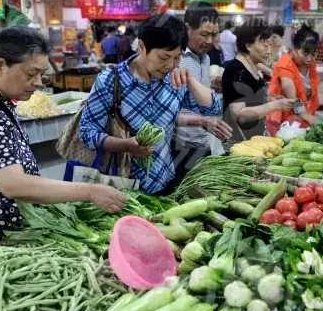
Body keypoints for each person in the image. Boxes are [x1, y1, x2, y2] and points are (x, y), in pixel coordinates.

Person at [0, 27, 126, 257]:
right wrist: (89, 191)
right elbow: (13, 184)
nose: (38, 82)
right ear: (0, 66)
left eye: (41, 74)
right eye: (30, 74)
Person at [80, 14, 223, 194]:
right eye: (164, 57)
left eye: (177, 57)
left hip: (165, 180)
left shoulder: (175, 79)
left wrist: (192, 81)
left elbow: (213, 108)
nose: (170, 65)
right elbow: (87, 131)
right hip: (123, 187)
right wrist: (124, 145)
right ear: (141, 47)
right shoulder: (111, 80)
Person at [174, 2, 232, 172]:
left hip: (204, 139)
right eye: (204, 34)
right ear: (187, 28)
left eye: (213, 34)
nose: (209, 41)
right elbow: (169, 109)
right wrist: (201, 121)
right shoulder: (177, 60)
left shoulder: (204, 58)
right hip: (182, 146)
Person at [222, 21, 295, 141]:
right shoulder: (235, 70)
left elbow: (251, 100)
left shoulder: (253, 68)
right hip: (239, 145)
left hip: (255, 139)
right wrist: (275, 105)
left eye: (269, 45)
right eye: (264, 45)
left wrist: (271, 99)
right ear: (248, 45)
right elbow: (240, 115)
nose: (269, 51)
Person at [267, 25, 321, 133]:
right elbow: (293, 100)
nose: (309, 58)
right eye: (305, 53)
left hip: (302, 118)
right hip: (284, 121)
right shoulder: (285, 65)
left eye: (313, 53)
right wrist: (307, 116)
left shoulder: (311, 64)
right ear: (295, 49)